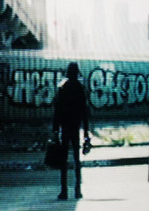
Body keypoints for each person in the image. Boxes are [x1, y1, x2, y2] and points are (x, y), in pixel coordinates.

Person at [52, 62, 91, 200]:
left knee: (63, 160)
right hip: (75, 127)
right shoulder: (80, 89)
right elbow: (84, 112)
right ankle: (77, 190)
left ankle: (64, 191)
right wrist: (86, 132)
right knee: (76, 159)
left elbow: (57, 111)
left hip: (65, 128)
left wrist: (55, 130)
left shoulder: (63, 89)